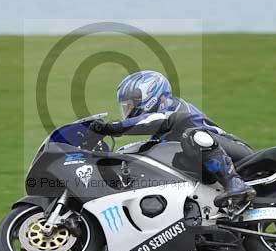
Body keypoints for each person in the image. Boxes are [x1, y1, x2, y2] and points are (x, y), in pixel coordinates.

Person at [90, 70, 256, 209]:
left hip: (236, 152)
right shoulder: (161, 132)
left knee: (193, 136)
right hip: (207, 167)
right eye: (125, 107)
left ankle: (235, 184)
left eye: (131, 105)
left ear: (151, 99)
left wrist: (114, 127)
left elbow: (153, 120)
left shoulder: (175, 109)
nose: (127, 111)